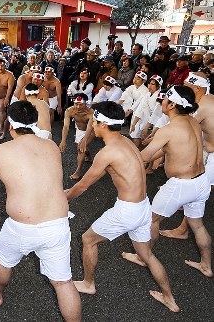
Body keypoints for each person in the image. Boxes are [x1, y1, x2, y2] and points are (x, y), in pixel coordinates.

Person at [65, 101, 180, 313]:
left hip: (127, 210)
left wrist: (64, 198)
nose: (92, 125)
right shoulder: (126, 141)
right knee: (146, 255)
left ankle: (88, 284)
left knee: (88, 240)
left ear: (102, 124)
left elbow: (82, 185)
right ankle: (169, 298)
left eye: (94, 122)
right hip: (143, 206)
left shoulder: (107, 153)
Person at [0, 101, 81, 322]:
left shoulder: (0, 151)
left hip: (21, 227)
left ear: (10, 125)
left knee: (3, 262)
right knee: (63, 282)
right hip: (57, 223)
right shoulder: (51, 146)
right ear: (35, 122)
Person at [139, 85, 212, 278]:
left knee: (151, 220)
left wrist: (124, 150)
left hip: (180, 185)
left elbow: (144, 157)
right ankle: (206, 265)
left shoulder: (168, 129)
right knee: (197, 225)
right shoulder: (193, 121)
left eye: (164, 99)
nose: (161, 102)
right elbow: (178, 147)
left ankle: (144, 257)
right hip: (201, 181)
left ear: (171, 104)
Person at [59, 93, 93, 180]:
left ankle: (77, 172)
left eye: (80, 104)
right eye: (76, 104)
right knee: (82, 147)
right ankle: (88, 156)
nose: (77, 107)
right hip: (79, 130)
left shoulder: (90, 112)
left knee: (80, 148)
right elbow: (66, 126)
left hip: (92, 131)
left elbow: (89, 127)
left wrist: (84, 140)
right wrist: (63, 140)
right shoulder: (69, 111)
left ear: (85, 103)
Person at [0, 59, 14, 139]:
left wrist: (7, 98)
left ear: (5, 66)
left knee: (2, 110)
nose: (0, 67)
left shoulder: (10, 75)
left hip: (3, 96)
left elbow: (10, 88)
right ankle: (0, 120)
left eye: (2, 66)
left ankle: (1, 127)